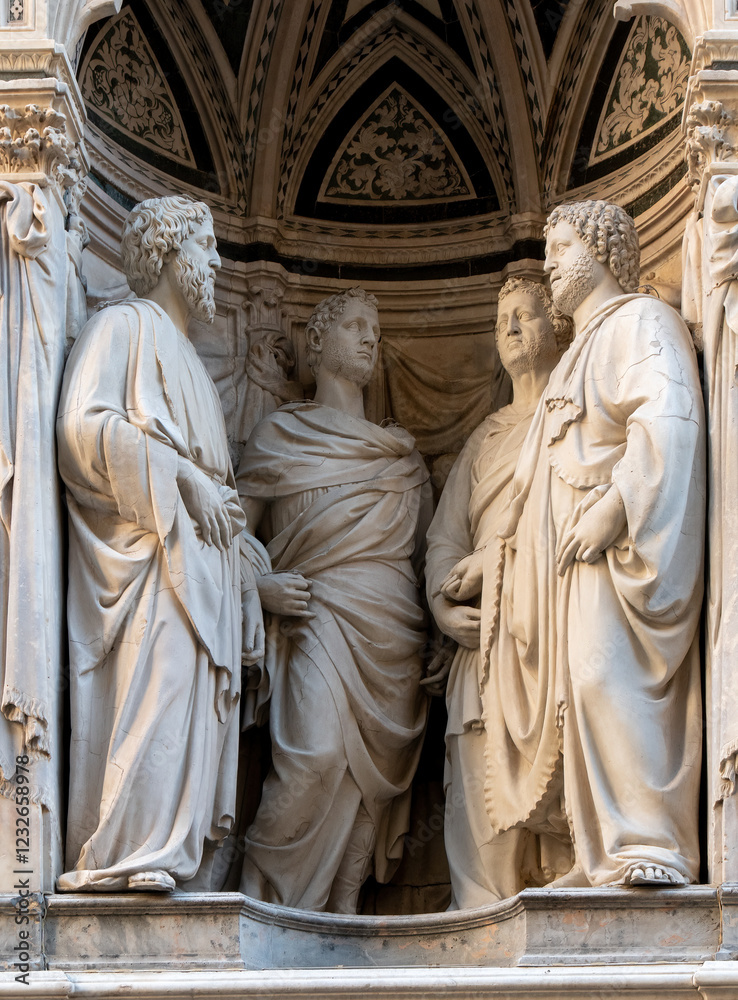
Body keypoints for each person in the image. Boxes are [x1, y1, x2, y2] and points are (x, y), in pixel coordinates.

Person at [481, 200, 704, 890]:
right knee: (580, 691)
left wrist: (613, 507)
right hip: (571, 565)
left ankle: (650, 841)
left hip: (617, 550)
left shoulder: (642, 323)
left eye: (564, 244)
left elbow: (669, 422)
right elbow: (529, 479)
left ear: (605, 249)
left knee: (607, 679)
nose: (550, 262)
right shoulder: (575, 355)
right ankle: (602, 850)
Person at [57, 196, 264, 892]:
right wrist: (178, 477)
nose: (215, 263)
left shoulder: (198, 372)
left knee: (194, 711)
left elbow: (215, 488)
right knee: (157, 695)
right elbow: (81, 434)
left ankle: (177, 860)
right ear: (171, 252)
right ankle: (131, 853)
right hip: (150, 559)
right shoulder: (121, 327)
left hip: (203, 566)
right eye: (205, 249)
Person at [237, 286, 430, 913]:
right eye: (353, 326)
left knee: (372, 777)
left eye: (373, 328)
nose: (369, 338)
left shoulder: (400, 456)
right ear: (317, 341)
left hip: (395, 630)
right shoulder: (279, 437)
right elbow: (228, 534)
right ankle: (263, 898)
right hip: (316, 617)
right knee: (316, 754)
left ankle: (343, 907)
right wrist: (259, 589)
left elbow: (428, 557)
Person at [425, 277, 573, 908]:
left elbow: (572, 511)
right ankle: (479, 923)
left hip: (548, 621)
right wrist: (441, 602)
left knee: (557, 772)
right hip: (479, 634)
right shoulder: (486, 436)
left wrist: (500, 561)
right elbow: (444, 534)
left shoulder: (573, 413)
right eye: (502, 320)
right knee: (475, 780)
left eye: (526, 315)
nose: (512, 329)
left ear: (558, 325)